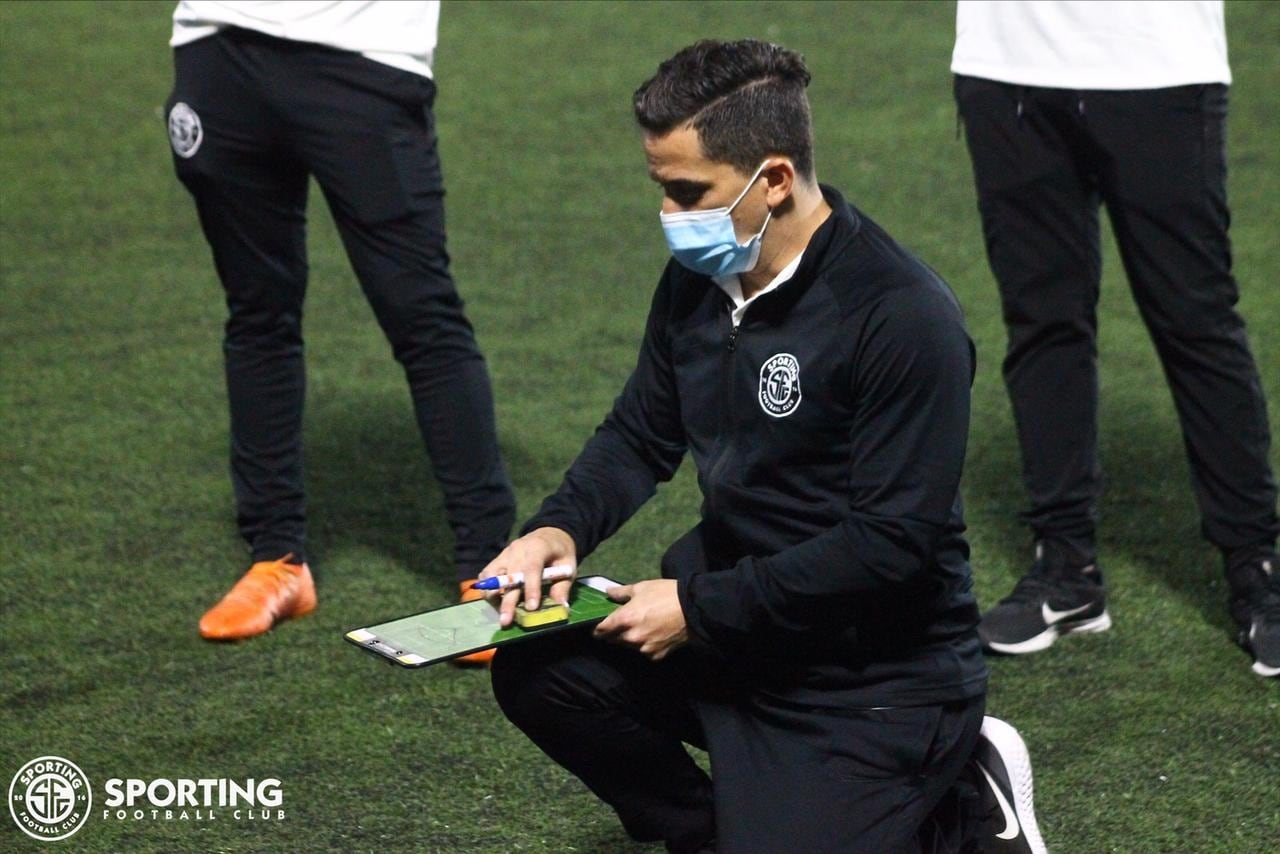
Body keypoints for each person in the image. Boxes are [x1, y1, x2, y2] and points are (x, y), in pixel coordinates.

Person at [479, 40, 1046, 853]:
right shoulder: (698, 284)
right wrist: (555, 529)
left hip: (872, 683)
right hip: (739, 636)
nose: (670, 217)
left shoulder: (900, 315)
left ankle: (965, 795)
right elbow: (641, 434)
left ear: (773, 179)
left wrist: (698, 609)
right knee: (540, 670)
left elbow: (892, 545)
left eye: (687, 193)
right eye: (662, 191)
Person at [165, 0, 515, 660]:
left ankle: (491, 573)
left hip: (364, 58)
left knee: (423, 318)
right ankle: (278, 561)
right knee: (257, 314)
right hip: (217, 47)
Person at [951, 0, 1279, 676]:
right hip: (1005, 67)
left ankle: (1259, 568)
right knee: (1043, 323)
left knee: (1197, 322)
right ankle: (1066, 568)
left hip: (1157, 65)